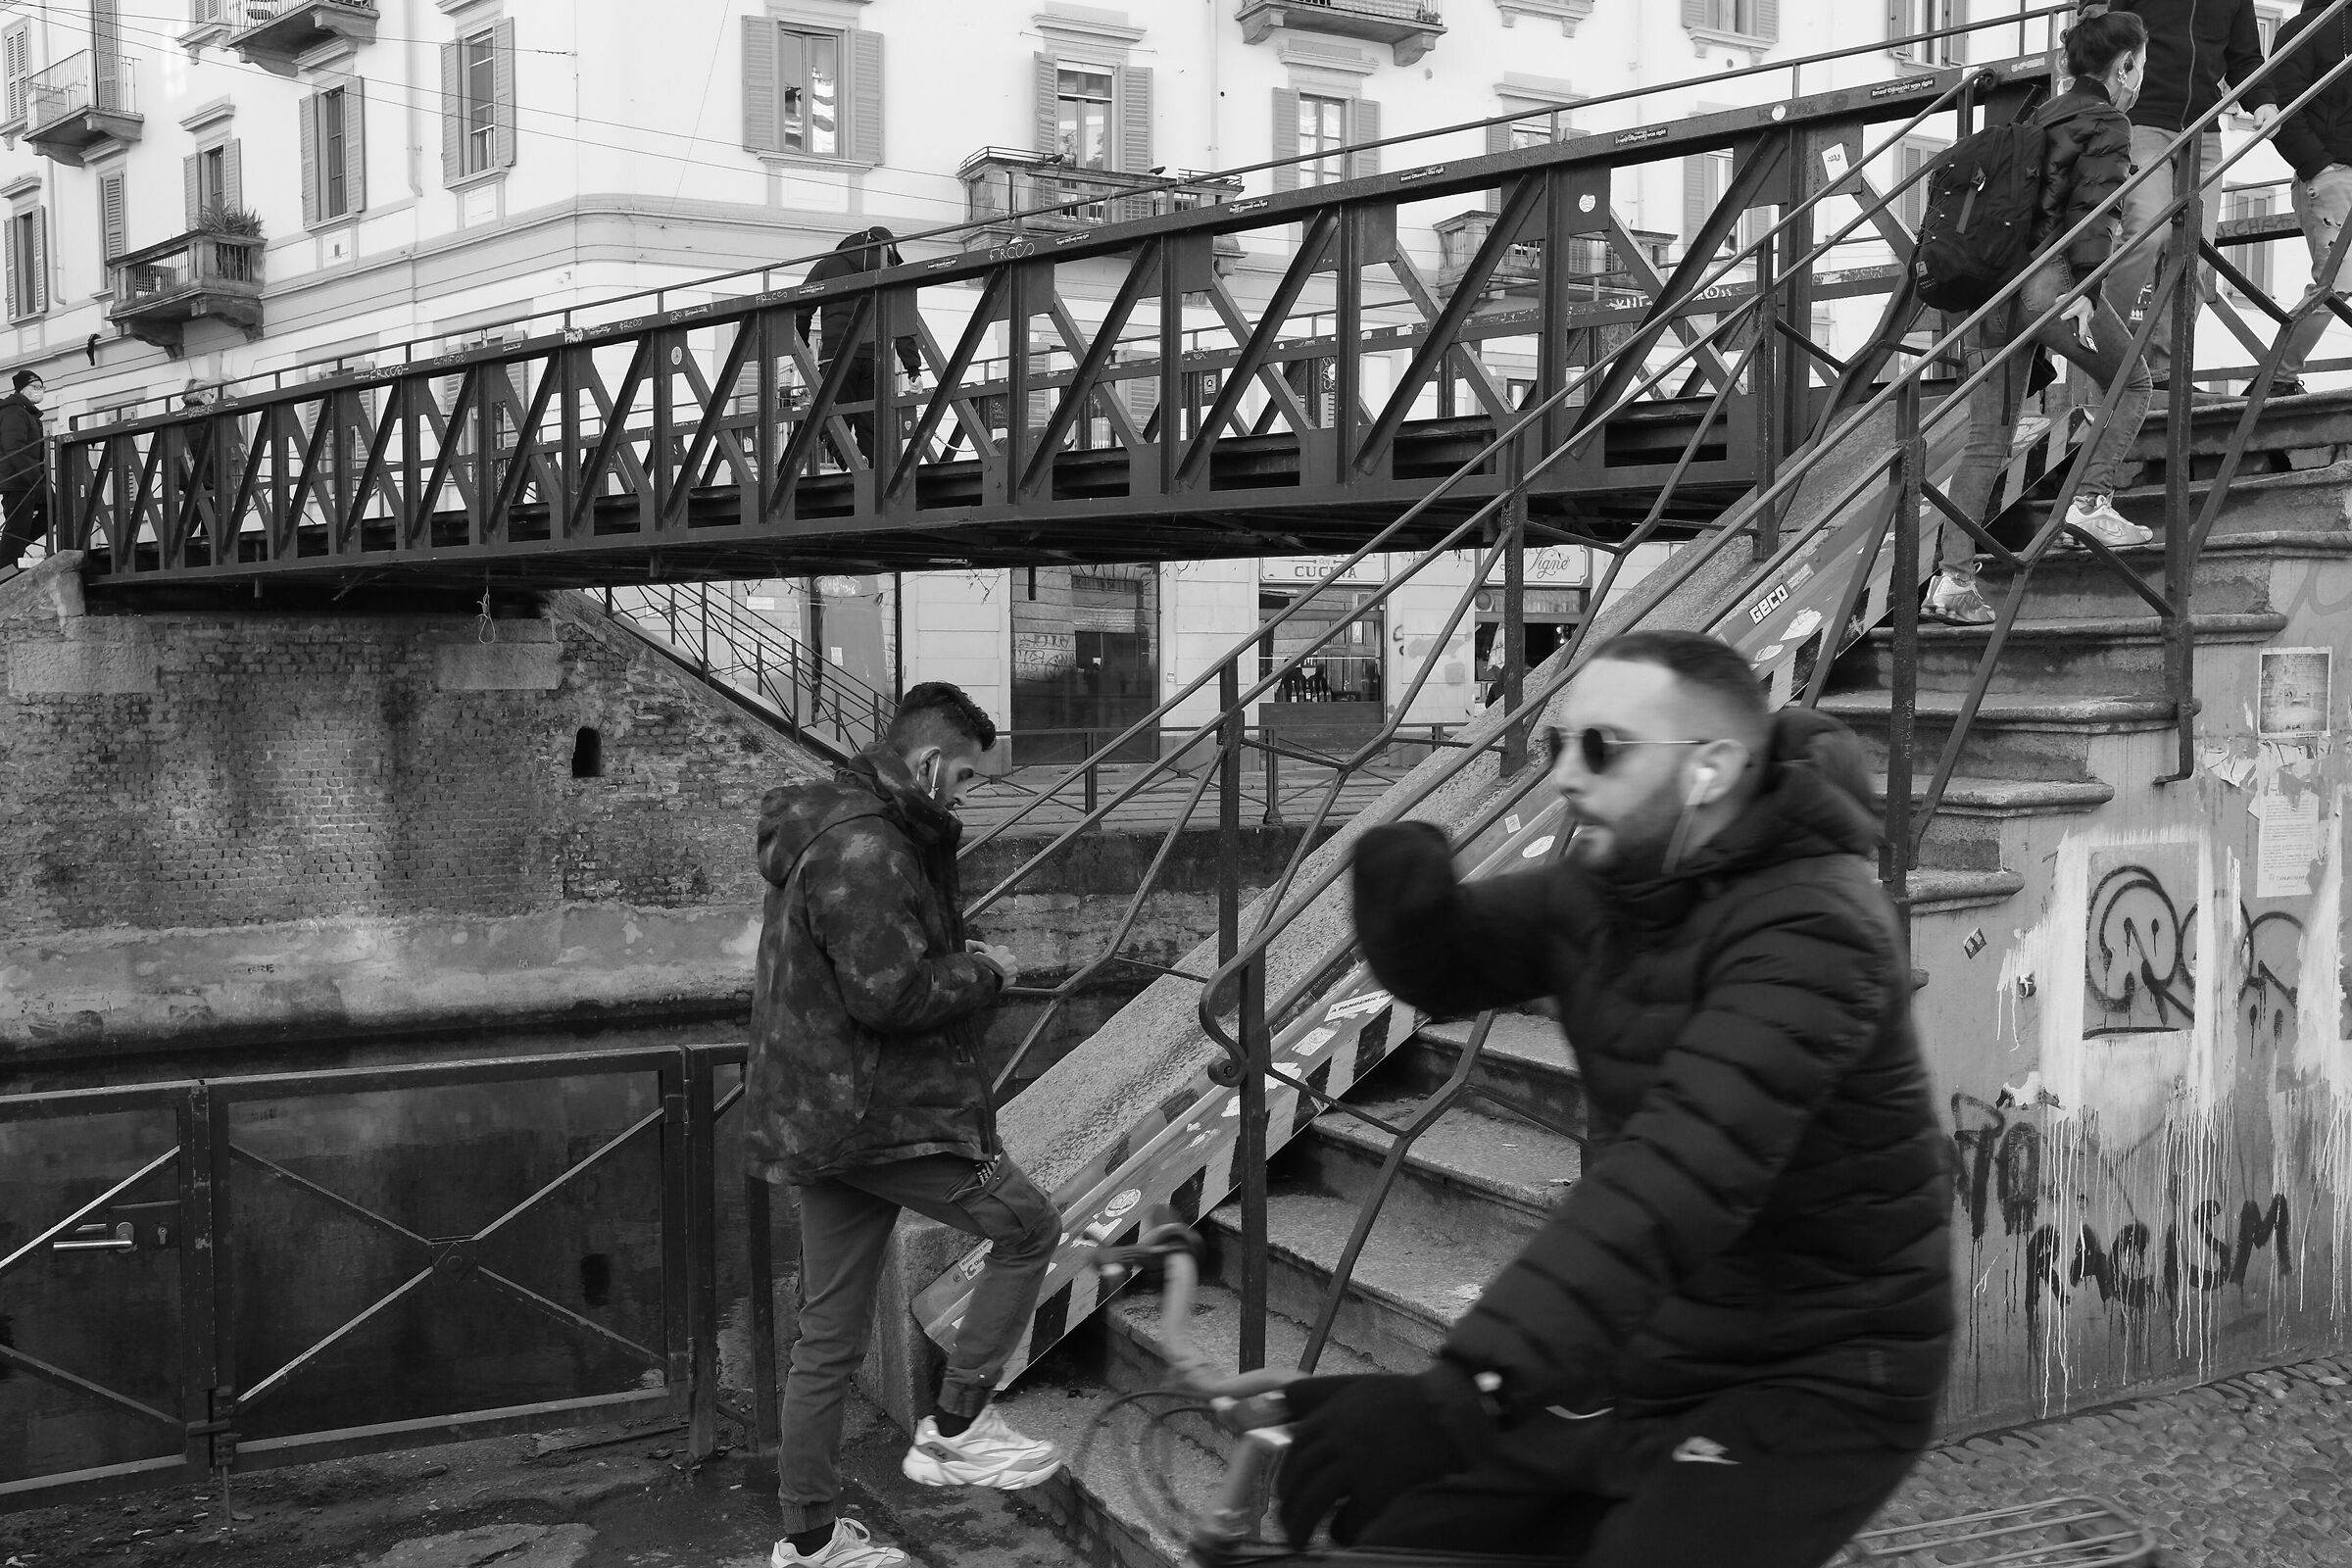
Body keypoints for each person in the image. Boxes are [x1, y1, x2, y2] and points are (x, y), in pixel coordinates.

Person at [1278, 629, 1953, 1568]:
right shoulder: (1611, 888)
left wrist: (1465, 1390)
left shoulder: (1817, 929)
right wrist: (1411, 913)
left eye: (1602, 749)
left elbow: (1675, 1176)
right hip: (1651, 1348)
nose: (1564, 775)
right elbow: (1464, 959)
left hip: (1818, 1369)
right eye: (1559, 746)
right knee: (1408, 1538)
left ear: (1711, 768)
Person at [744, 681, 1062, 1568]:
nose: (963, 794)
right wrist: (985, 969)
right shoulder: (867, 847)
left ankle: (808, 1540)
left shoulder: (841, 824)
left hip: (824, 1115)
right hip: (877, 1120)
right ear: (927, 763)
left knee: (830, 1335)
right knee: (1029, 1227)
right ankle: (957, 1426)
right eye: (963, 775)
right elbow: (890, 994)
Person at [1924, 10, 2158, 628]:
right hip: (2049, 284)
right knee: (2133, 382)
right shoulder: (2108, 119)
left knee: (1985, 443)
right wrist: (2085, 289)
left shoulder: (2040, 116)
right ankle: (2090, 498)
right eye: (2140, 66)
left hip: (1995, 289)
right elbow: (2095, 211)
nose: (2139, 79)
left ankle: (1951, 581)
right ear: (2125, 65)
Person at [2081, 0, 2278, 391]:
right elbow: (2101, 22)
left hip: (2204, 131)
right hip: (2143, 119)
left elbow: (2244, 58)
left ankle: (2166, 371)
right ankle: (2104, 349)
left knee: (2196, 254)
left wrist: (2264, 101)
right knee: (2146, 231)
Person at [2259, 0, 2352, 396]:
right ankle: (2275, 378)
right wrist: (2318, 165)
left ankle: (2276, 377)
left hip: (2331, 169)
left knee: (2336, 281)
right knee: (2336, 282)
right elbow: (2283, 109)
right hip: (2330, 174)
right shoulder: (2306, 28)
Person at [794, 226, 926, 465]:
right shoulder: (890, 270)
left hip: (836, 355)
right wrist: (913, 368)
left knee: (831, 416)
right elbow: (903, 322)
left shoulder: (828, 264)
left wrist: (803, 344)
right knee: (870, 420)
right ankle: (873, 473)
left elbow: (802, 309)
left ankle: (851, 461)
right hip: (876, 357)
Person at [0, 369, 49, 569]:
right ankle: (5, 568)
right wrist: (34, 480)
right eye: (35, 387)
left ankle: (7, 555)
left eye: (42, 387)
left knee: (54, 509)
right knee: (17, 528)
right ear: (22, 388)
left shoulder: (27, 413)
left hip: (29, 479)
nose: (39, 391)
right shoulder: (14, 411)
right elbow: (14, 449)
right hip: (18, 481)